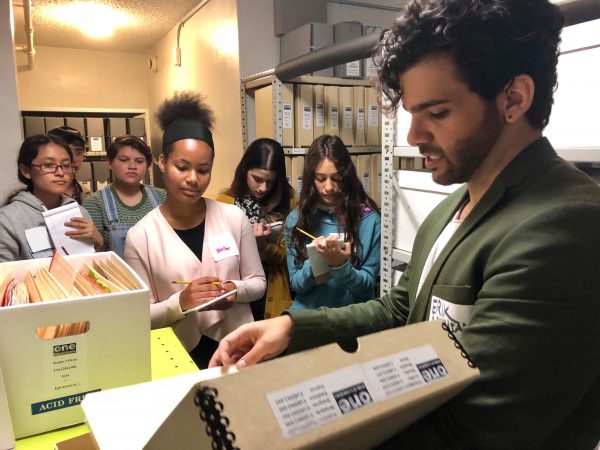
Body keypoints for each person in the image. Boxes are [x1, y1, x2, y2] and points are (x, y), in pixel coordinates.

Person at [210, 1, 600, 448]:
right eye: (413, 114)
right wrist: (293, 329)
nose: (413, 136)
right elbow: (399, 310)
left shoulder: (566, 225)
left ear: (513, 99)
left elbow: (469, 428)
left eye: (438, 113)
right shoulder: (451, 209)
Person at [124, 92, 266, 369]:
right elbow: (140, 315)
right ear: (162, 162)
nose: (193, 179)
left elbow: (258, 282)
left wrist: (233, 290)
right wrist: (181, 303)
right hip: (177, 355)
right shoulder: (141, 236)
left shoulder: (233, 218)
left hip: (237, 348)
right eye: (182, 167)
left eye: (203, 170)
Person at [284, 134, 381, 310]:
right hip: (310, 316)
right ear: (311, 178)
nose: (328, 187)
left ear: (347, 176)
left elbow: (367, 286)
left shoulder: (369, 220)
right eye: (320, 179)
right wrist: (317, 262)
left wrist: (341, 266)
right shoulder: (296, 218)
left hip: (351, 316)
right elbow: (296, 285)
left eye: (336, 178)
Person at [217, 138, 294, 319]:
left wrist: (265, 247)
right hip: (236, 292)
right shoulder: (225, 202)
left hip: (273, 295)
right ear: (244, 170)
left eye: (271, 182)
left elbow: (294, 260)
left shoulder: (289, 204)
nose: (263, 188)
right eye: (257, 179)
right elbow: (218, 254)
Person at [0, 134, 104, 262]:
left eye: (66, 165)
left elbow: (94, 265)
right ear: (26, 170)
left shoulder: (80, 213)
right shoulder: (7, 220)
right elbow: (4, 272)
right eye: (49, 165)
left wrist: (99, 243)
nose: (60, 173)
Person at [83, 135, 165, 257]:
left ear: (147, 166)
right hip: (115, 269)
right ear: (110, 163)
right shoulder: (94, 203)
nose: (132, 166)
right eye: (124, 160)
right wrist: (99, 244)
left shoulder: (162, 197)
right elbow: (93, 256)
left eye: (139, 161)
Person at [47, 126, 91, 204]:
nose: (73, 159)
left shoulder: (88, 194)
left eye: (78, 153)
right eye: (67, 151)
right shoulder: (40, 195)